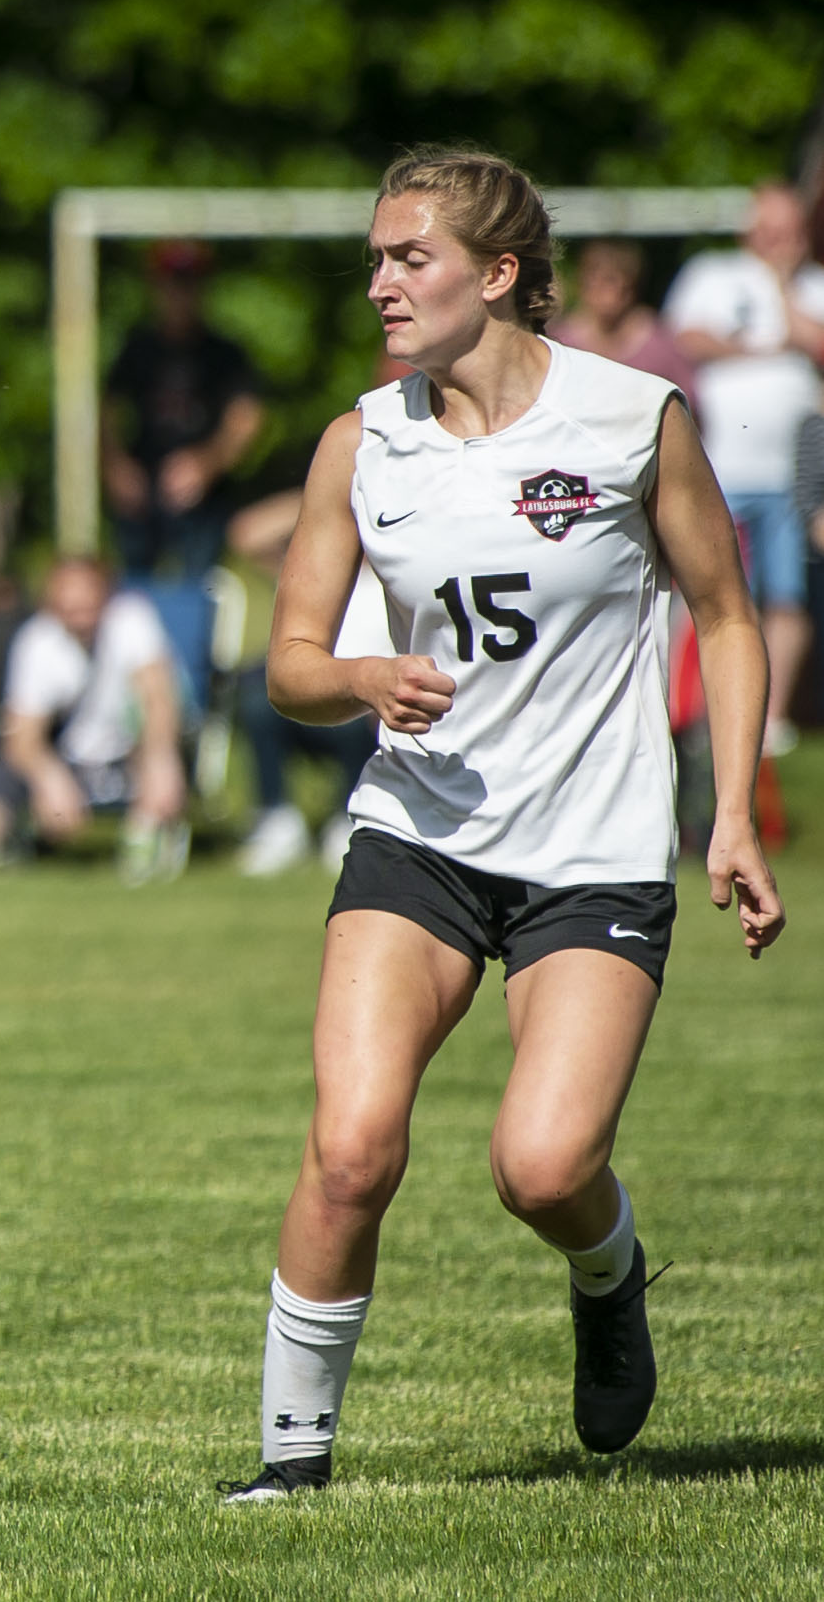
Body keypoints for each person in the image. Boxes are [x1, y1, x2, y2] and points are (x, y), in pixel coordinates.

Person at [220, 150, 784, 1505]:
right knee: (349, 1143)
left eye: (404, 258)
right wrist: (357, 677)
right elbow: (288, 662)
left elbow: (723, 613)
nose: (377, 283)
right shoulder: (361, 442)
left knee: (538, 1167)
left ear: (492, 275)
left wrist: (729, 816)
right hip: (416, 841)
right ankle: (288, 1467)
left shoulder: (631, 418)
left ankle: (605, 1272)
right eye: (371, 260)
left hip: (589, 851)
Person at [664, 183, 824, 755]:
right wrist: (767, 349)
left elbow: (817, 342)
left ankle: (770, 716)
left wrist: (781, 286)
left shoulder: (812, 284)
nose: (778, 240)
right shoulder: (713, 272)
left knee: (786, 595)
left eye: (789, 230)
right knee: (717, 593)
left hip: (789, 477)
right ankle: (703, 707)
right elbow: (685, 336)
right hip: (719, 468)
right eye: (769, 228)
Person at [0, 557, 189, 884]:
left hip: (130, 750)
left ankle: (147, 838)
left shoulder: (131, 620)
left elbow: (158, 699)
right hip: (69, 758)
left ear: (107, 597)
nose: (81, 619)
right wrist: (49, 778)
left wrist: (161, 759)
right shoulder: (37, 641)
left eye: (88, 607)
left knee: (155, 758)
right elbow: (22, 738)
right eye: (69, 610)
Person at [224, 487, 388, 876]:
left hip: (373, 708)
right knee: (255, 701)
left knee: (362, 716)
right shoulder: (317, 576)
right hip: (313, 697)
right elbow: (246, 535)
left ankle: (345, 818)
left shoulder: (402, 578)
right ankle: (276, 818)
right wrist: (333, 493)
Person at [103, 241, 266, 584]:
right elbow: (108, 412)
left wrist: (206, 464)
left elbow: (247, 419)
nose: (179, 294)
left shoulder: (224, 353)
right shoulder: (137, 348)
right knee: (135, 592)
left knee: (198, 590)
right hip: (143, 490)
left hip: (204, 498)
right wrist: (116, 466)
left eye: (189, 283)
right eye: (171, 283)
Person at [550, 239, 699, 409]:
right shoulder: (560, 343)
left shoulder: (661, 343)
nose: (610, 292)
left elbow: (689, 406)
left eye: (614, 280)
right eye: (600, 281)